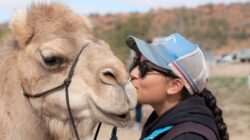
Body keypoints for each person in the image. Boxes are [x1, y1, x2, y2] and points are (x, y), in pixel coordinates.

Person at [125, 33, 229, 140]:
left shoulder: (188, 137)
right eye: (137, 63)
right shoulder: (168, 124)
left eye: (144, 67)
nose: (133, 73)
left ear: (174, 85)